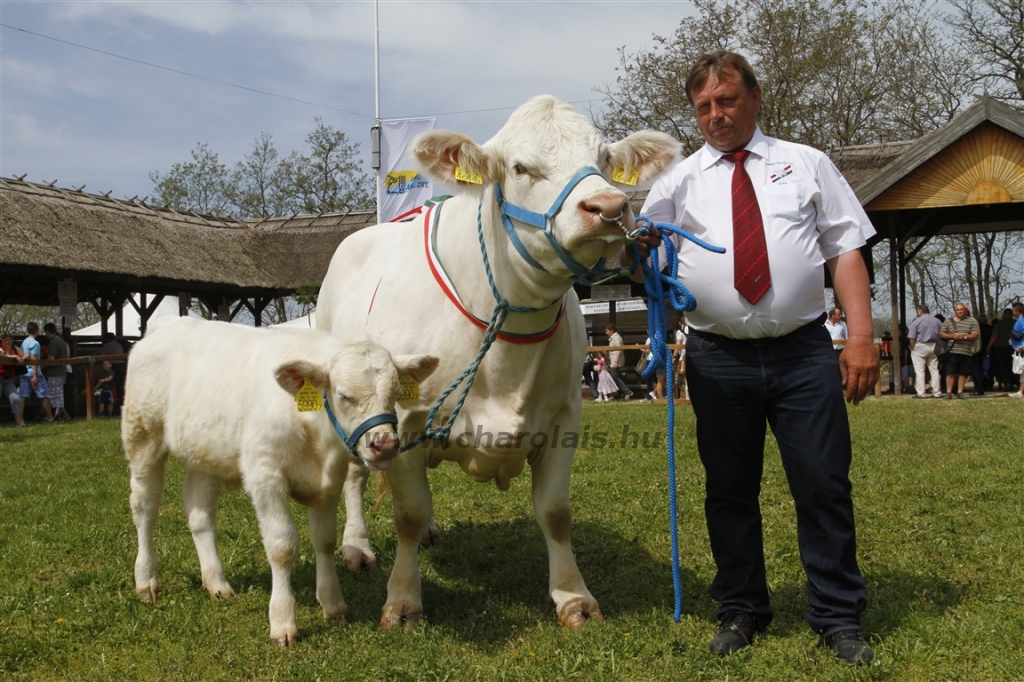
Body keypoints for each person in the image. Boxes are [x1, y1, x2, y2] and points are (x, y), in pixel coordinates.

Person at [624, 51, 878, 664]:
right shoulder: (676, 182)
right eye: (704, 106)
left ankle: (838, 615)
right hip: (717, 356)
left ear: (755, 98)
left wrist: (863, 337)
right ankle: (740, 607)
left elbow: (844, 250)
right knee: (729, 489)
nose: (716, 114)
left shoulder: (807, 163)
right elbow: (642, 264)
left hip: (804, 353)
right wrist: (641, 249)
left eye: (727, 100)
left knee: (821, 482)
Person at [939, 303, 979, 399]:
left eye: (962, 309)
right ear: (955, 311)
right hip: (952, 351)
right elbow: (941, 334)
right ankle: (949, 392)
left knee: (963, 373)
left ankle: (960, 392)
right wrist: (952, 336)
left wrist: (964, 337)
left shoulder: (971, 321)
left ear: (965, 310)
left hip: (966, 351)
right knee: (950, 372)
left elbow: (975, 335)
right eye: (958, 310)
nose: (960, 311)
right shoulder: (948, 321)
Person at [19, 322, 54, 423]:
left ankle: (20, 419)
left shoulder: (24, 342)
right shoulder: (35, 343)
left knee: (22, 396)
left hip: (24, 372)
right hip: (34, 372)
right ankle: (50, 417)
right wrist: (35, 374)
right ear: (37, 330)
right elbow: (34, 358)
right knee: (44, 394)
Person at [907, 304, 943, 399]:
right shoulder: (937, 321)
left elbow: (912, 337)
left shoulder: (917, 321)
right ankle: (936, 392)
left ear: (920, 311)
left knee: (920, 370)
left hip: (920, 345)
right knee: (934, 370)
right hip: (934, 345)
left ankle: (921, 392)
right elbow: (942, 334)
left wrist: (913, 348)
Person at [43, 323, 71, 422]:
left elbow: (51, 359)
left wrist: (42, 366)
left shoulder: (53, 343)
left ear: (47, 332)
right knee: (59, 393)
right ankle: (61, 413)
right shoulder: (62, 341)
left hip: (55, 372)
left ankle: (62, 413)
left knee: (55, 394)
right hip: (63, 371)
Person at [988, 308, 1017, 392]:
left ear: (1006, 314)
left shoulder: (1000, 323)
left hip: (1001, 347)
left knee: (1001, 366)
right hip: (1013, 347)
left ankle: (1006, 382)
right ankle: (1012, 382)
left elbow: (995, 335)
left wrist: (989, 346)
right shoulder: (1015, 323)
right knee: (1012, 365)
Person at [1, 333, 26, 427]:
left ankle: (19, 423)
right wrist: (15, 357)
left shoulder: (14, 348)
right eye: (5, 340)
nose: (7, 342)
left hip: (8, 380)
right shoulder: (0, 349)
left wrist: (23, 358)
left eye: (9, 339)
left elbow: (24, 355)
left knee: (15, 399)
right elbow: (3, 356)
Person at [604, 324, 632, 400]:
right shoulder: (613, 338)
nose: (606, 333)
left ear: (611, 330)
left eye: (607, 331)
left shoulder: (616, 338)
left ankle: (627, 391)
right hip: (614, 360)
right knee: (615, 377)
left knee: (614, 377)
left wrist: (616, 361)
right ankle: (615, 394)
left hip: (616, 361)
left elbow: (619, 350)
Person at [1011, 302, 1024, 398]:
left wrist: (1023, 346)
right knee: (1022, 371)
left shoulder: (1022, 320)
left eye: (1013, 309)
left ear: (1016, 310)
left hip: (1022, 348)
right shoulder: (1020, 320)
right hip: (1019, 348)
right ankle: (1020, 391)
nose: (1012, 311)